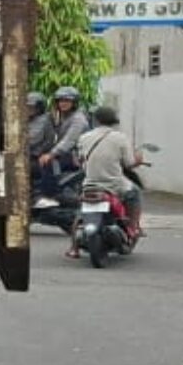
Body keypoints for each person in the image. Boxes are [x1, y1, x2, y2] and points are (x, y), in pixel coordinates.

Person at [70, 105, 147, 258]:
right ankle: (133, 228)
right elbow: (129, 163)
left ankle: (73, 248)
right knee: (135, 193)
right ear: (113, 120)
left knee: (81, 212)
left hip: (90, 184)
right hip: (114, 185)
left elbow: (79, 161)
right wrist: (138, 160)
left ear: (96, 120)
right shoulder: (120, 138)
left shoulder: (84, 138)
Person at [35, 87, 90, 176]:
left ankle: (50, 190)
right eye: (60, 101)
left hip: (76, 156)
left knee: (47, 164)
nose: (63, 104)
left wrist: (51, 154)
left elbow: (69, 141)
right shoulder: (61, 116)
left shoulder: (78, 119)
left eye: (67, 101)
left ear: (74, 103)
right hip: (64, 154)